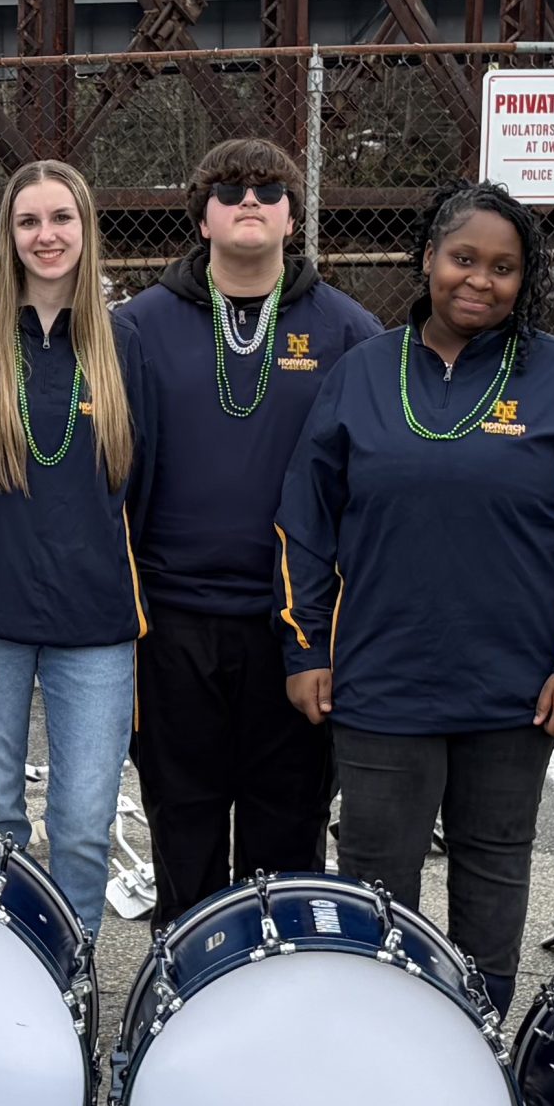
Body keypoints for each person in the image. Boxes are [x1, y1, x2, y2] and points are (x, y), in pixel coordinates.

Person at [277, 182, 554, 1018]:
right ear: (429, 260)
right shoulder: (363, 374)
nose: (480, 279)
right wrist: (305, 645)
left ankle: (477, 1033)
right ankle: (382, 1035)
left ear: (526, 278)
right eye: (463, 258)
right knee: (375, 880)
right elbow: (305, 522)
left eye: (503, 267)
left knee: (493, 869)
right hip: (380, 682)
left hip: (513, 690)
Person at [121, 137, 381, 926]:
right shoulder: (136, 328)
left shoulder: (349, 332)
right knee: (184, 818)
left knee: (287, 828)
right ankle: (185, 977)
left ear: (292, 218)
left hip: (294, 628)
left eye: (269, 191)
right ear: (201, 217)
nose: (249, 202)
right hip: (170, 620)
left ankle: (276, 984)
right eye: (229, 190)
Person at [0, 159, 150, 937]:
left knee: (83, 821)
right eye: (28, 220)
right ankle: (4, 971)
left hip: (95, 625)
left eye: (61, 217)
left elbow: (147, 485)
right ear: (9, 235)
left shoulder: (124, 345)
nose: (46, 235)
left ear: (86, 228)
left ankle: (72, 976)